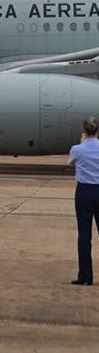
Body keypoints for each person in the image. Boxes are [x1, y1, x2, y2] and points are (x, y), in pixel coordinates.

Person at [68, 118, 99, 285]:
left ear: (84, 130)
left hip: (84, 192)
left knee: (84, 235)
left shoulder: (77, 149)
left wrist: (81, 143)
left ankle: (85, 276)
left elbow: (71, 163)